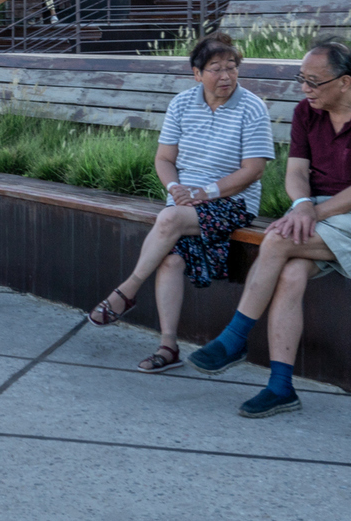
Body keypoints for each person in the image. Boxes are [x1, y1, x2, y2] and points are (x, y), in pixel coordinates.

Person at [188, 38, 351, 418]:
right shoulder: (307, 112)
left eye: (313, 81)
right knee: (289, 274)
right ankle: (281, 388)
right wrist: (303, 205)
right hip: (319, 210)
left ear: (345, 81)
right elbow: (296, 173)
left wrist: (310, 215)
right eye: (301, 79)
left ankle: (236, 338)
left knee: (276, 241)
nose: (304, 89)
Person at [86, 34, 273, 375]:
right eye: (216, 69)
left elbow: (254, 170)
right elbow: (164, 159)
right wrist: (175, 186)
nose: (226, 76)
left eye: (232, 68)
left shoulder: (251, 107)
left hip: (232, 203)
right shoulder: (182, 104)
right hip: (185, 203)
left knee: (169, 219)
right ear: (197, 73)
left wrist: (207, 191)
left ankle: (126, 291)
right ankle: (168, 346)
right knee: (171, 261)